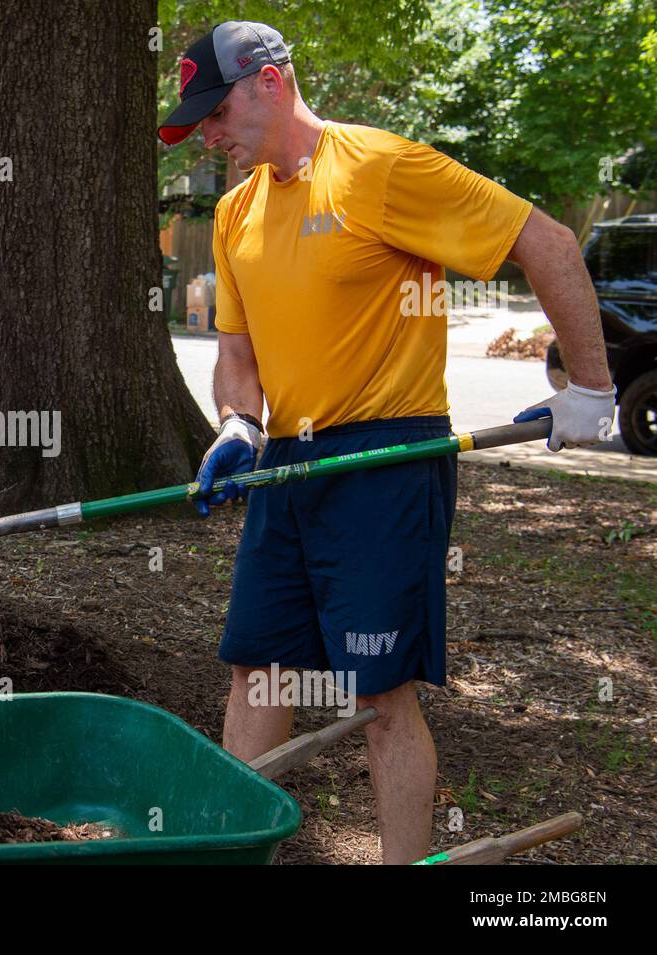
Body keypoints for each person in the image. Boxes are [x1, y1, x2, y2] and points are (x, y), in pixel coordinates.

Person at [158, 20, 614, 863]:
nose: (209, 135)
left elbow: (544, 242)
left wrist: (589, 386)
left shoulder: (380, 169)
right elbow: (236, 356)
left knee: (379, 694)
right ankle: (229, 856)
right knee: (258, 672)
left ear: (271, 82)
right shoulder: (235, 212)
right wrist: (237, 422)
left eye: (214, 112)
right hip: (285, 468)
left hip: (385, 465)